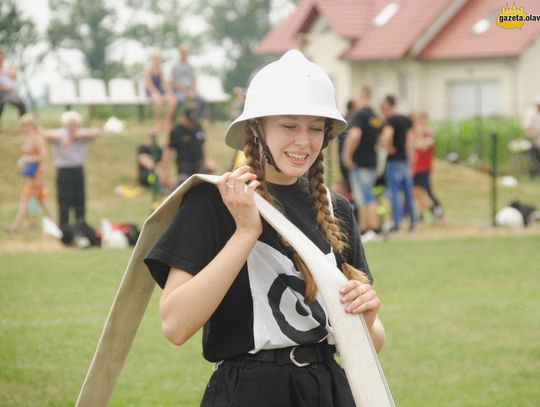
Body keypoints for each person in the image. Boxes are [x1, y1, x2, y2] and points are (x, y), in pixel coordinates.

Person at [144, 50, 385, 407]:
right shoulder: (212, 201)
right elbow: (175, 325)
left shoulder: (337, 209)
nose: (303, 141)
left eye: (315, 128)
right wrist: (244, 233)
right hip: (250, 392)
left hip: (328, 390)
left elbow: (373, 342)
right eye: (289, 126)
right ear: (256, 128)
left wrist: (369, 315)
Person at [43, 111, 100, 227]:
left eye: (75, 124)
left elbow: (97, 132)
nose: (73, 126)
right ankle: (64, 227)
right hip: (64, 171)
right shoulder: (60, 133)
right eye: (71, 124)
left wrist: (79, 136)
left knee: (80, 198)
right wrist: (61, 138)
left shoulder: (81, 134)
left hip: (78, 170)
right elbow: (44, 134)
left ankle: (80, 224)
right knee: (64, 200)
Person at [341, 86, 383, 241]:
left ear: (361, 96)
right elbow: (382, 139)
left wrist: (347, 155)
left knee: (364, 198)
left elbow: (355, 135)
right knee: (369, 195)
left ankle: (369, 230)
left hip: (359, 163)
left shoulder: (359, 115)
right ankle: (373, 230)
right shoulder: (375, 116)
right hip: (371, 162)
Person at [6, 114, 55, 233]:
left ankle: (15, 226)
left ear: (30, 125)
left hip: (36, 175)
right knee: (43, 200)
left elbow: (43, 156)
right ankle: (55, 224)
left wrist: (27, 159)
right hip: (30, 174)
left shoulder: (37, 138)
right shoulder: (30, 138)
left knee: (25, 199)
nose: (21, 128)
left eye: (23, 125)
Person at [379, 95, 416, 232]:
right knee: (408, 194)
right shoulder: (405, 119)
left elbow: (386, 136)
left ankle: (397, 223)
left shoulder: (391, 121)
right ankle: (413, 223)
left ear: (388, 105)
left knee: (394, 194)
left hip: (394, 161)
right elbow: (412, 136)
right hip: (405, 161)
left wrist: (387, 147)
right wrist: (409, 149)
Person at [161, 107, 215, 188]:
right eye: (190, 121)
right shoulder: (176, 131)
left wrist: (206, 160)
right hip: (184, 166)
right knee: (184, 186)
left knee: (209, 180)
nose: (192, 124)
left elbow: (203, 145)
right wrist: (165, 174)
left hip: (198, 164)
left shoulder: (198, 126)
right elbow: (168, 152)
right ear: (183, 118)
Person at [410, 112, 446, 224]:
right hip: (416, 168)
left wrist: (419, 135)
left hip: (424, 168)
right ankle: (424, 215)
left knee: (424, 193)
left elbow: (423, 148)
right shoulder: (415, 134)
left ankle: (437, 213)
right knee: (418, 193)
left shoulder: (429, 134)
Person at [169, 44, 206, 121]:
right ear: (180, 53)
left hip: (190, 91)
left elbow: (194, 80)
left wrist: (192, 91)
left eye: (186, 52)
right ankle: (176, 120)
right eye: (183, 52)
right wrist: (185, 92)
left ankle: (196, 120)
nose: (185, 54)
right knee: (181, 101)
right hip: (179, 91)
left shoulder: (191, 66)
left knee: (202, 100)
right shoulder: (174, 66)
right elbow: (173, 83)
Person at [144, 49, 176, 131]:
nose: (159, 61)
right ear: (153, 59)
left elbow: (163, 84)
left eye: (159, 59)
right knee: (158, 100)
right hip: (151, 91)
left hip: (160, 91)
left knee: (173, 100)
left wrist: (169, 92)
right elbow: (149, 84)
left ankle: (167, 121)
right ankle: (157, 122)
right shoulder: (148, 69)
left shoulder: (161, 70)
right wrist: (156, 92)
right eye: (157, 59)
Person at [0, 48, 27, 120]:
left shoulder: (8, 66)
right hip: (1, 93)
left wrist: (4, 73)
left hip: (10, 92)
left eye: (1, 55)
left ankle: (25, 124)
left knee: (22, 105)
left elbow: (14, 76)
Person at [525, 96, 540, 178]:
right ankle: (534, 174)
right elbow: (528, 128)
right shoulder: (532, 115)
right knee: (534, 157)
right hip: (533, 139)